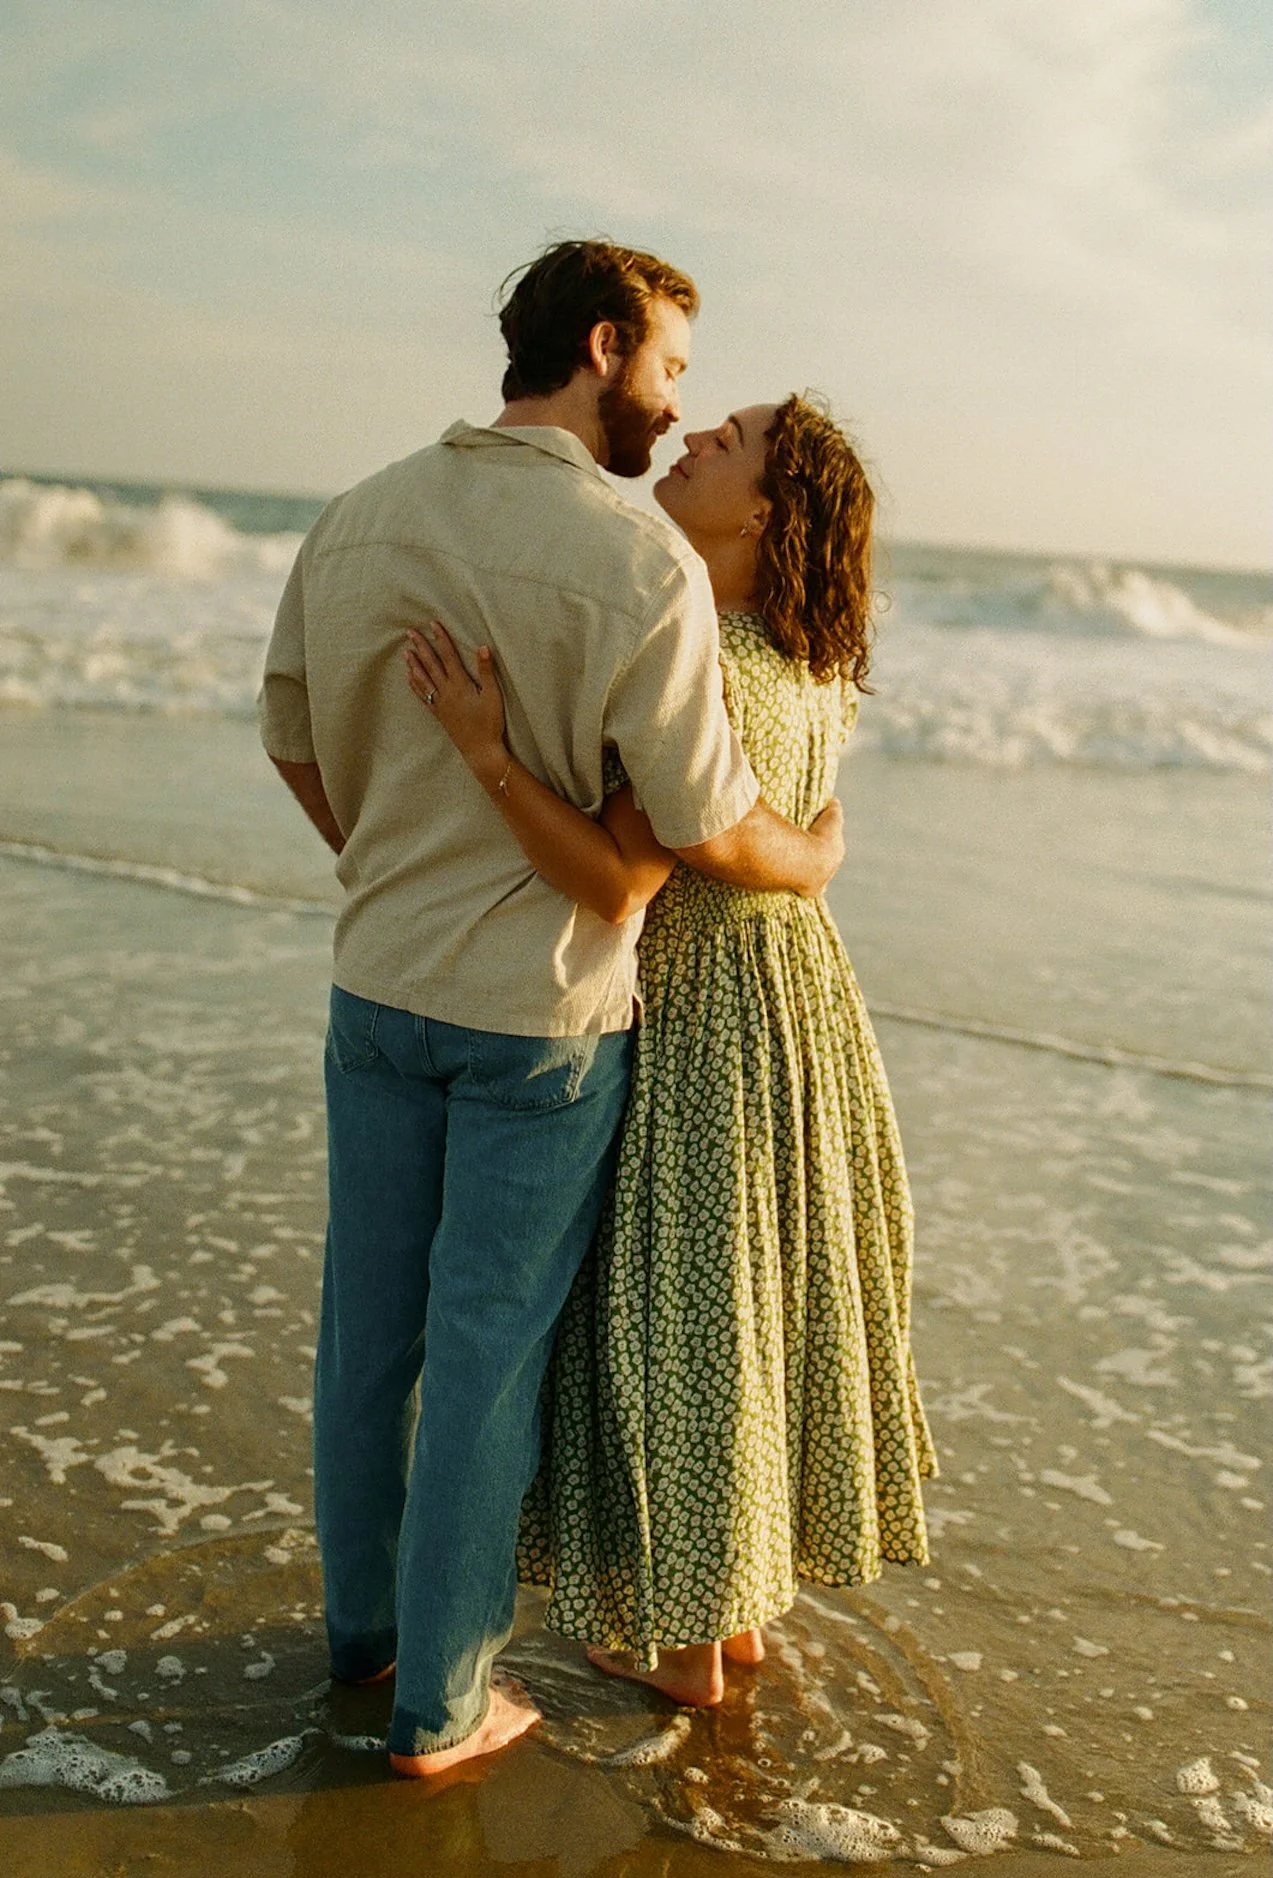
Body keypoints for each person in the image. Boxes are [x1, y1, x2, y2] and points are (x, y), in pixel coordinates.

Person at [257, 243, 845, 1776]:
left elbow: (294, 740)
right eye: (668, 370)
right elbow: (699, 823)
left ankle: (361, 1641)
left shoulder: (361, 511)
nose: (673, 405)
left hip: (377, 985)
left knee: (365, 1340)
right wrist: (820, 849)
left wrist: (390, 864)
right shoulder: (636, 562)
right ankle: (443, 1711)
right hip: (542, 1019)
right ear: (602, 347)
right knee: (488, 1359)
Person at [403, 392, 937, 1712]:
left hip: (705, 1017)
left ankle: (691, 1648)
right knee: (758, 1300)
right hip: (804, 1012)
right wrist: (807, 860)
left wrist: (483, 751)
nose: (694, 438)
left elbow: (621, 880)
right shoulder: (816, 663)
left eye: (730, 442)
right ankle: (738, 1616)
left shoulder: (703, 656)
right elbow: (799, 832)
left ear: (764, 510)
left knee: (693, 1313)